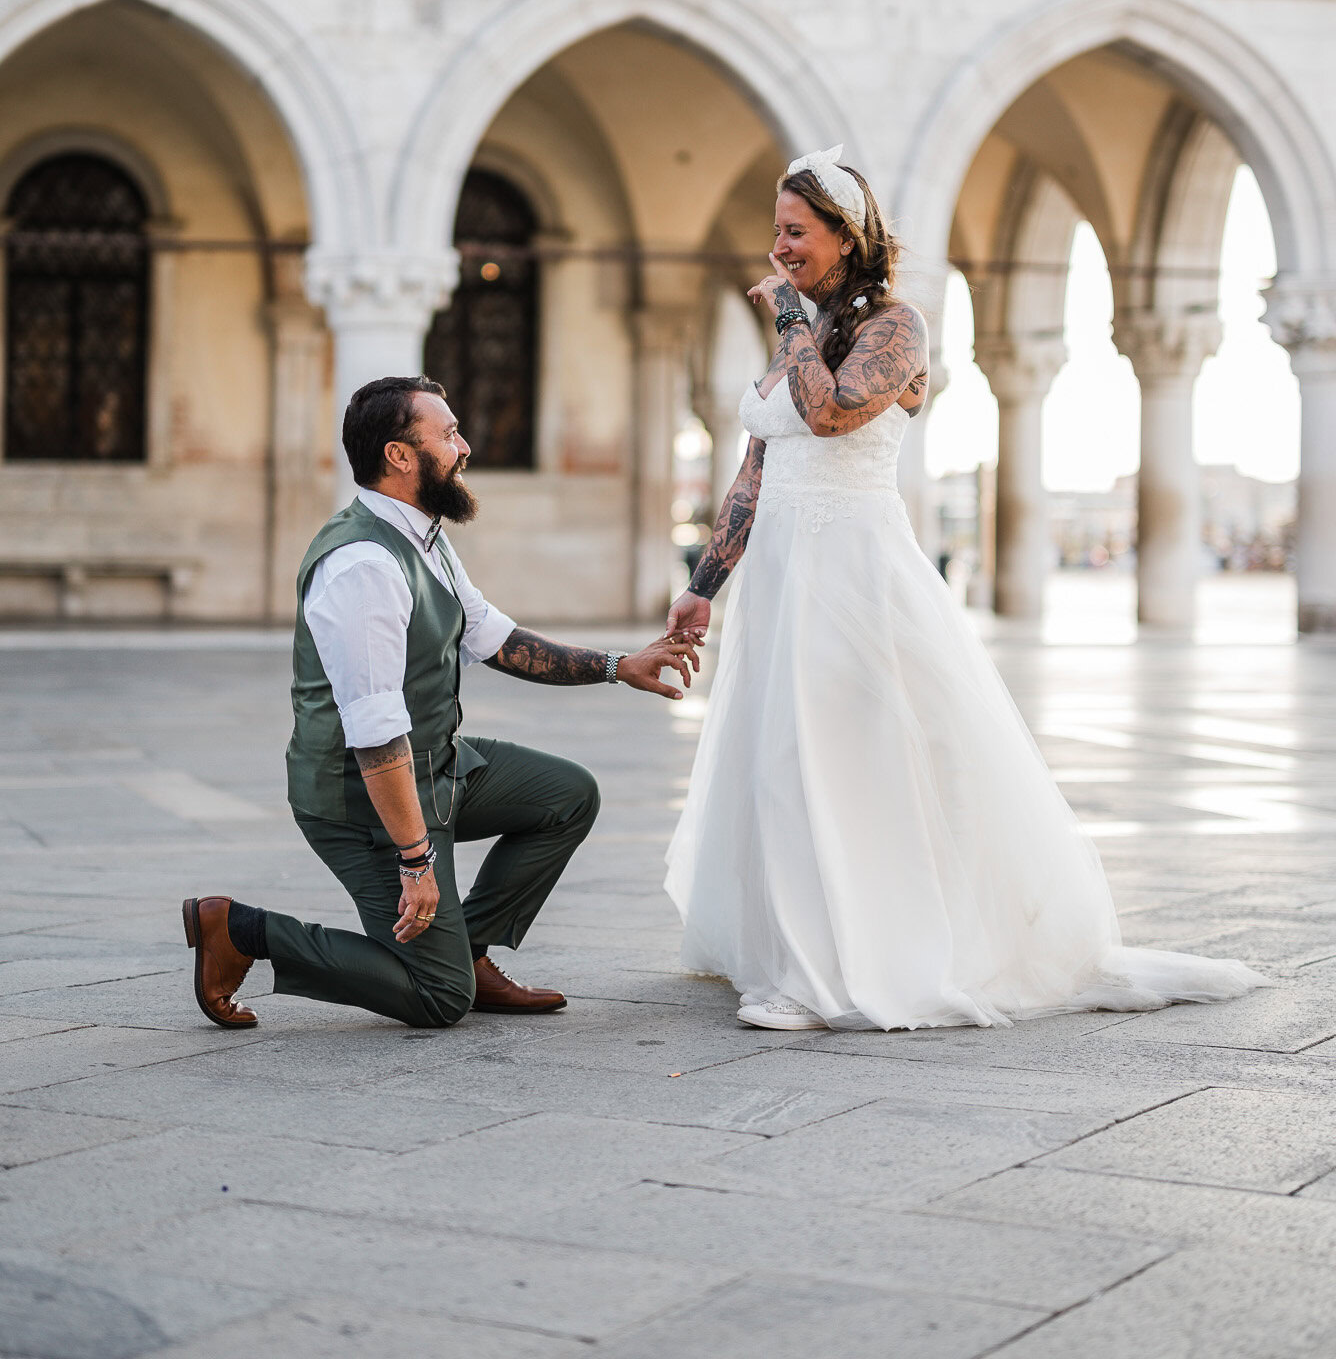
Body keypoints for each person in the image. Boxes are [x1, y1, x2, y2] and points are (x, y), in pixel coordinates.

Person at [664, 146, 1266, 1032]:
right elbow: (759, 466)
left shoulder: (897, 327)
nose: (779, 246)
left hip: (856, 575)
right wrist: (705, 583)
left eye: (796, 231)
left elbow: (829, 414)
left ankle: (843, 966)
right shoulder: (800, 341)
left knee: (840, 757)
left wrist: (789, 318)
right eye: (778, 231)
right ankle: (792, 947)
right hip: (784, 581)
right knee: (776, 759)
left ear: (846, 236)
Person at [185, 374, 695, 1031]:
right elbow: (373, 736)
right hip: (361, 803)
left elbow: (494, 637)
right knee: (437, 998)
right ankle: (242, 930)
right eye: (449, 434)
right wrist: (416, 860)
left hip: (437, 768)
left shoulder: (425, 534)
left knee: (567, 796)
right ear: (401, 455)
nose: (466, 447)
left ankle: (466, 951)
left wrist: (618, 667)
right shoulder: (362, 564)